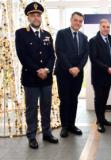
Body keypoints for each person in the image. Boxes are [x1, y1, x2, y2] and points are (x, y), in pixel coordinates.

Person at [15, 2, 58, 149]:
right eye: (33, 15)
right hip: (31, 78)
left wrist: (46, 70)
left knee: (46, 107)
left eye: (38, 15)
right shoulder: (21, 33)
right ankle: (32, 136)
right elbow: (23, 56)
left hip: (46, 78)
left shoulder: (47, 35)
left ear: (41, 17)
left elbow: (52, 56)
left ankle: (47, 133)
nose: (36, 17)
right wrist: (37, 70)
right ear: (28, 17)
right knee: (32, 108)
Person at [55, 12, 88, 138]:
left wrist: (78, 68)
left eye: (80, 21)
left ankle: (72, 125)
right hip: (63, 72)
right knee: (65, 100)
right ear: (71, 20)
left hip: (78, 74)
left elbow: (85, 55)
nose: (78, 23)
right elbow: (60, 52)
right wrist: (70, 67)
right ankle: (64, 126)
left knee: (74, 99)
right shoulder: (62, 33)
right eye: (76, 20)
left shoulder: (84, 37)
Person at [89, 19, 111, 133]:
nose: (106, 29)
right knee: (99, 99)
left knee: (104, 99)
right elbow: (94, 59)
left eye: (108, 27)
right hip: (99, 76)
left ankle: (103, 118)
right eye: (104, 26)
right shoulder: (93, 41)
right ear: (99, 27)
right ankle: (99, 122)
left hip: (109, 76)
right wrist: (107, 68)